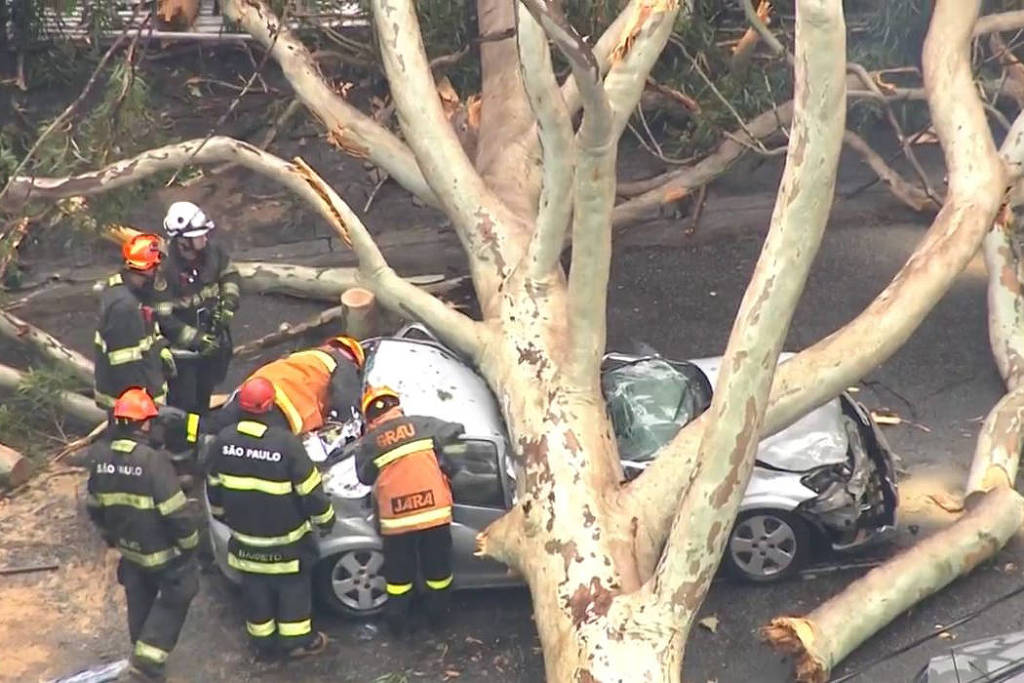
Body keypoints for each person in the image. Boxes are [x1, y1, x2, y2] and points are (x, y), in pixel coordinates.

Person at [206, 377, 336, 660]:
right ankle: (298, 642)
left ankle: (262, 644)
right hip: (287, 542)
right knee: (293, 590)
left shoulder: (223, 442)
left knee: (256, 591)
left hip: (246, 541)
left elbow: (213, 489)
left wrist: (223, 517)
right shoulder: (286, 444)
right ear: (270, 405)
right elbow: (311, 492)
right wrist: (326, 520)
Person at [85, 388, 199, 681]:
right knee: (181, 589)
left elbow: (95, 504)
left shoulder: (99, 455)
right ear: (144, 424)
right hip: (161, 550)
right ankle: (148, 659)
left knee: (139, 592)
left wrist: (111, 537)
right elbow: (175, 511)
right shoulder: (152, 460)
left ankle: (141, 644)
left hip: (128, 547)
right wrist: (189, 544)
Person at [348, 386, 465, 636]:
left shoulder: (369, 442)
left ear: (370, 415)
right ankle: (438, 618)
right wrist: (451, 466)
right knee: (438, 572)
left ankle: (398, 624)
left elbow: (365, 478)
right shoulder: (423, 425)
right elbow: (457, 431)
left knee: (399, 577)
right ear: (397, 406)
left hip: (397, 521)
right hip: (434, 513)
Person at [179, 335, 365, 450]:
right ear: (354, 359)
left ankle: (179, 434)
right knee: (262, 450)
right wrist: (349, 429)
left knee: (214, 424)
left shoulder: (306, 357)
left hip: (250, 390)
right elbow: (345, 399)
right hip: (282, 409)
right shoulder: (342, 363)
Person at [153, 201, 241, 415]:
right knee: (184, 405)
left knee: (204, 397)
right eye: (199, 235)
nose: (204, 238)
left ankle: (199, 438)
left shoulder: (214, 252)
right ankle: (181, 445)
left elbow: (229, 275)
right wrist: (196, 340)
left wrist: (228, 303)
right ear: (183, 241)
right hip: (183, 355)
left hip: (212, 344)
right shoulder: (164, 271)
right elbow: (164, 319)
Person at [94, 234, 176, 412]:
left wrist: (160, 348)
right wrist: (139, 408)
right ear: (146, 269)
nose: (158, 271)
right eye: (155, 266)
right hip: (133, 407)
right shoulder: (125, 308)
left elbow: (144, 336)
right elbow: (126, 365)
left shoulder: (127, 290)